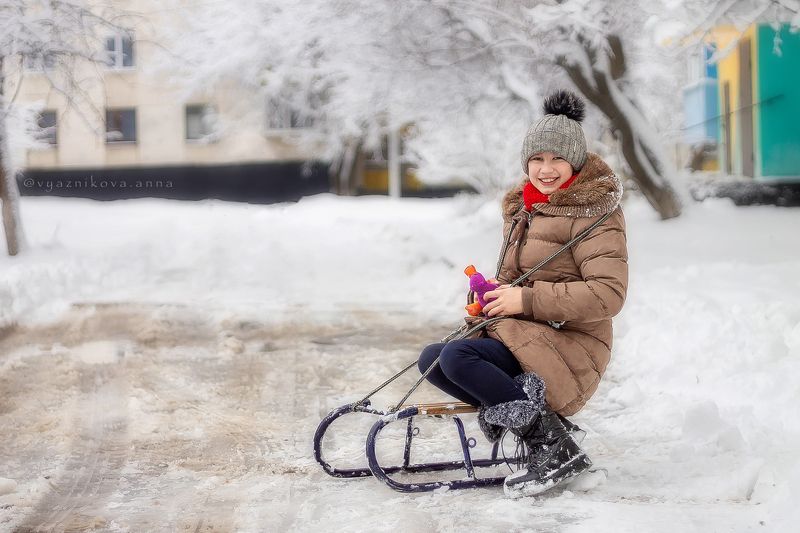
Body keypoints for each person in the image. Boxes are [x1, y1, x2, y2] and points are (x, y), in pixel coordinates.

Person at [417, 90, 628, 498]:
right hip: (532, 337)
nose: (545, 169)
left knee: (458, 356)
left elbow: (608, 295)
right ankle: (550, 433)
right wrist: (495, 297)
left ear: (576, 162)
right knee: (434, 359)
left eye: (556, 159)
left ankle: (551, 446)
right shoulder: (525, 210)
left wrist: (524, 300)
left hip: (573, 345)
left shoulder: (595, 214)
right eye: (537, 159)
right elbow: (520, 281)